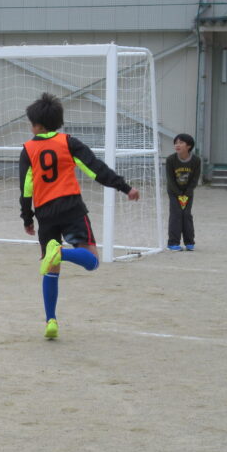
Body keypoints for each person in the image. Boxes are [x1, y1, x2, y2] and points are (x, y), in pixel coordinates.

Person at [19, 93, 140, 340]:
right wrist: (125, 187)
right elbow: (96, 169)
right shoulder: (68, 142)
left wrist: (27, 218)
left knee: (51, 269)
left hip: (45, 213)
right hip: (71, 208)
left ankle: (51, 320)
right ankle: (61, 252)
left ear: (37, 125)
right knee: (93, 261)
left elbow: (26, 188)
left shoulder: (28, 150)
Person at [166, 133, 201, 251]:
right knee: (176, 214)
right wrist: (179, 194)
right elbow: (170, 179)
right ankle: (173, 243)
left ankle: (189, 242)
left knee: (186, 215)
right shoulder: (171, 159)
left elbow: (195, 179)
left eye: (181, 143)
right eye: (176, 143)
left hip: (188, 192)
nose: (177, 145)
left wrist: (187, 193)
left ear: (189, 146)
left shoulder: (196, 160)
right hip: (174, 192)